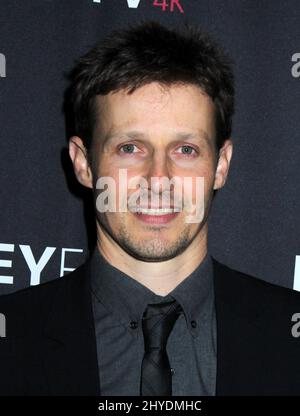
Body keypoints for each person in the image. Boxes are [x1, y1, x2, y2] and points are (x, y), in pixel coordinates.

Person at [0, 20, 300, 396]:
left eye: (185, 150)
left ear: (220, 166)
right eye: (130, 148)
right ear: (83, 163)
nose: (159, 178)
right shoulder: (10, 343)